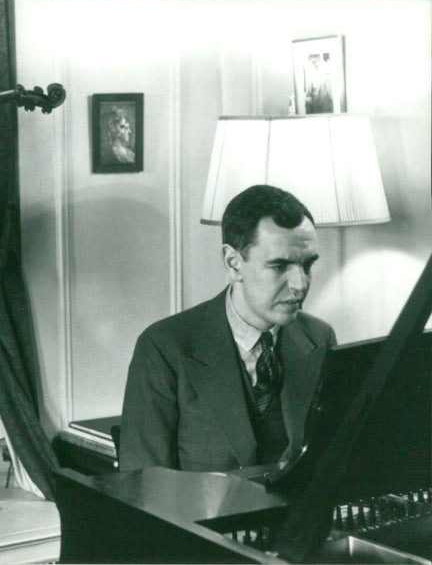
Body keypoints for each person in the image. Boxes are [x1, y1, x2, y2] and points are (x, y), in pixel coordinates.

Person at [119, 184, 337, 473]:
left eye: (307, 265)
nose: (300, 284)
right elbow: (143, 485)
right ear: (233, 263)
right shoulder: (164, 348)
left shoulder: (320, 338)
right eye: (279, 266)